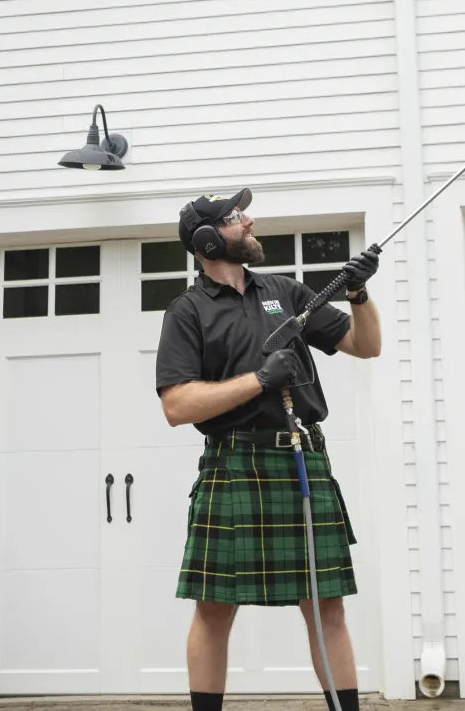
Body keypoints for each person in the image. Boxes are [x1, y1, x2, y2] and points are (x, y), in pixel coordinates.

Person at [156, 188, 383, 711]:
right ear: (209, 240)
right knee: (214, 608)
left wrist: (360, 295)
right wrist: (260, 379)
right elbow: (177, 404)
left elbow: (366, 345)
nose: (250, 220)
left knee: (327, 606)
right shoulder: (187, 312)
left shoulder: (286, 291)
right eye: (237, 218)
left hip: (302, 456)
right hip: (235, 465)